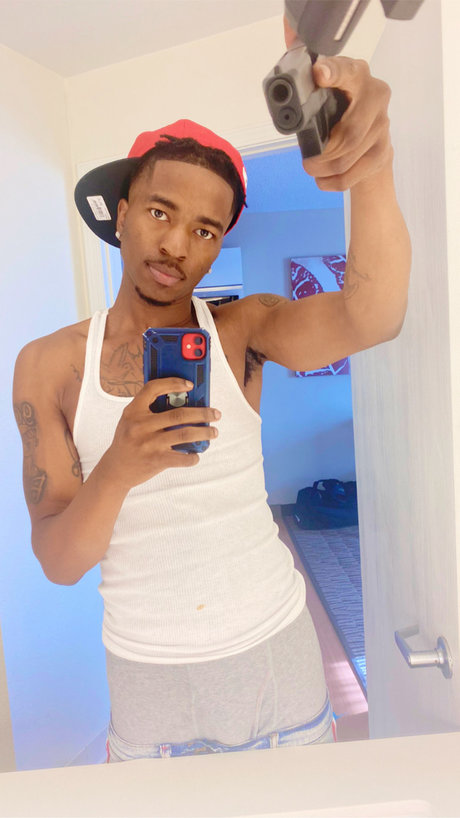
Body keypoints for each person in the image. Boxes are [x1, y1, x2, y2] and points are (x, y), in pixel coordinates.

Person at [13, 36, 411, 762]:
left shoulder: (242, 329)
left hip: (276, 663)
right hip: (148, 689)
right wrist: (119, 467)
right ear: (122, 212)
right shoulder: (49, 366)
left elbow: (372, 315)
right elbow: (60, 561)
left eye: (204, 230)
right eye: (159, 212)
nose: (176, 245)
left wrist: (372, 168)